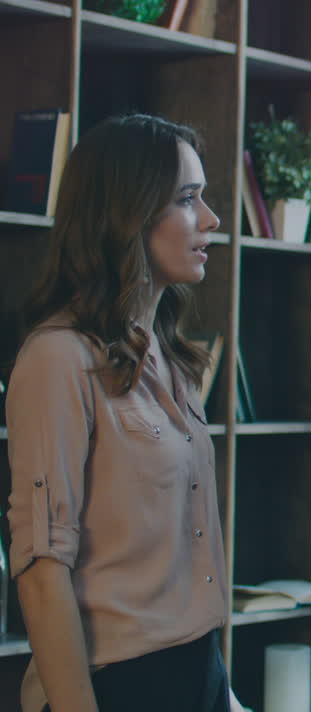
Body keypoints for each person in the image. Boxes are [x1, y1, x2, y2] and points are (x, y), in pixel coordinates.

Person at [5, 114, 237, 712]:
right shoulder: (58, 359)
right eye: (187, 198)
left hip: (199, 669)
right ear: (127, 213)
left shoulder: (170, 357)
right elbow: (41, 567)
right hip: (119, 682)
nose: (211, 218)